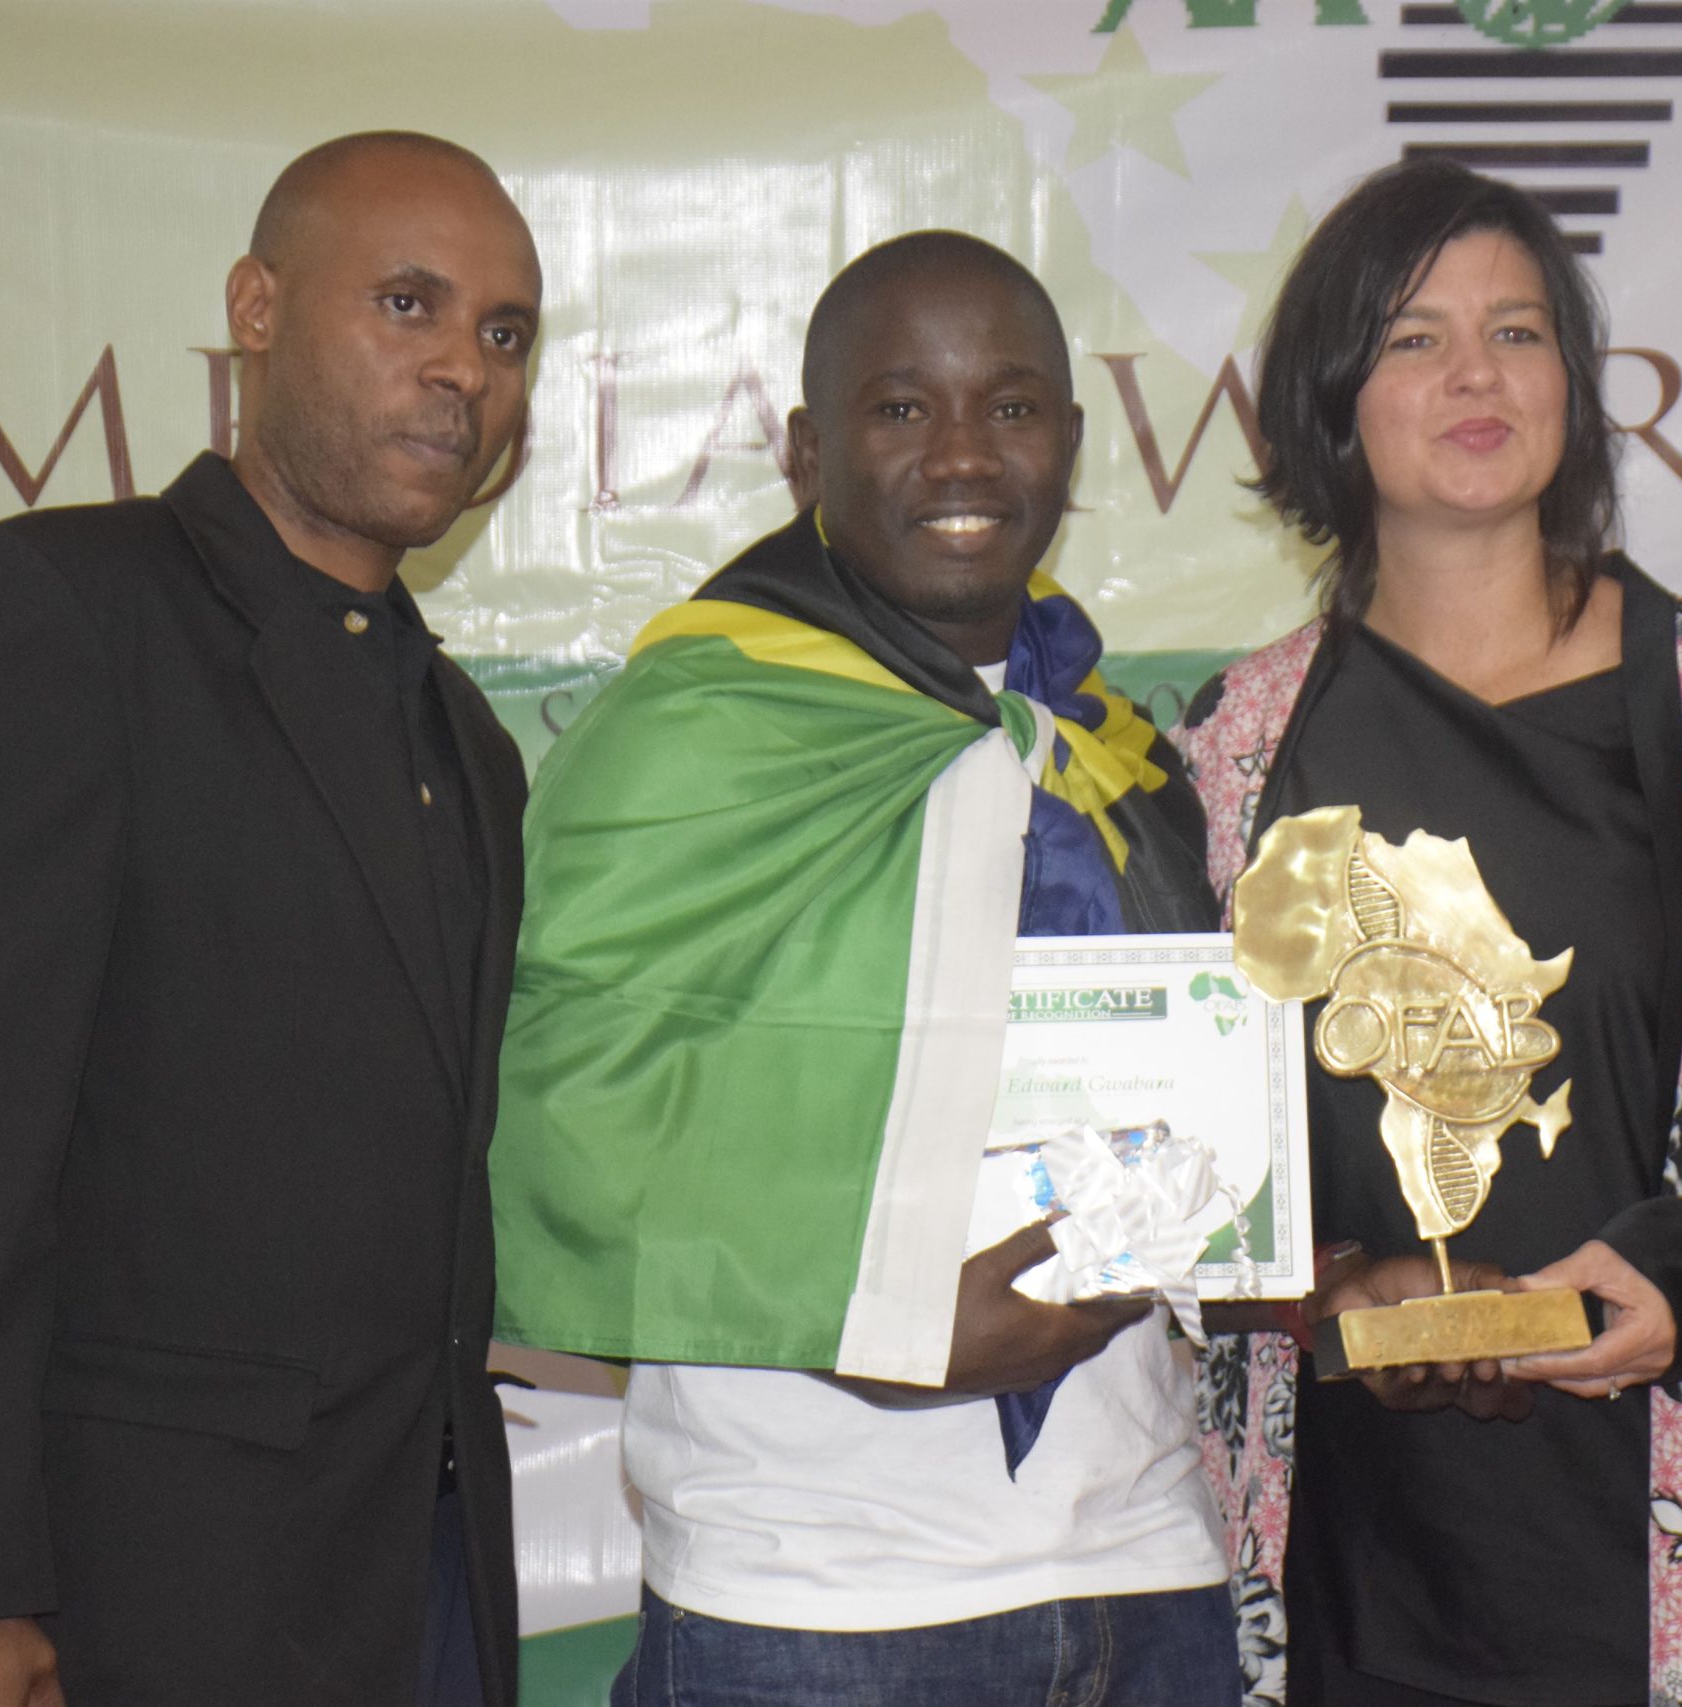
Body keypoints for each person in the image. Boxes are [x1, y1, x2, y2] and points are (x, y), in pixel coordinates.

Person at [1174, 160, 1682, 1707]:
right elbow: (1179, 1147)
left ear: (1575, 392)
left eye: (1519, 333)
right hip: (1365, 1555)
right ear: (1330, 405)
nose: (1476, 375)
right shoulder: (1235, 748)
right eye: (1413, 340)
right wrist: (1333, 1290)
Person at [0, 132, 541, 1707]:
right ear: (256, 308)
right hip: (127, 1599)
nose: (462, 367)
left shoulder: (460, 735)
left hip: (418, 1589)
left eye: (504, 332)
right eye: (408, 304)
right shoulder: (60, 613)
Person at [489, 232, 1239, 1706]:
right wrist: (878, 1321)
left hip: (1143, 1561)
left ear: (1071, 446)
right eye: (902, 410)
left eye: (1011, 408)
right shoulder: (686, 732)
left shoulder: (1115, 752)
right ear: (806, 449)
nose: (962, 455)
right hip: (812, 1595)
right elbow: (571, 1117)